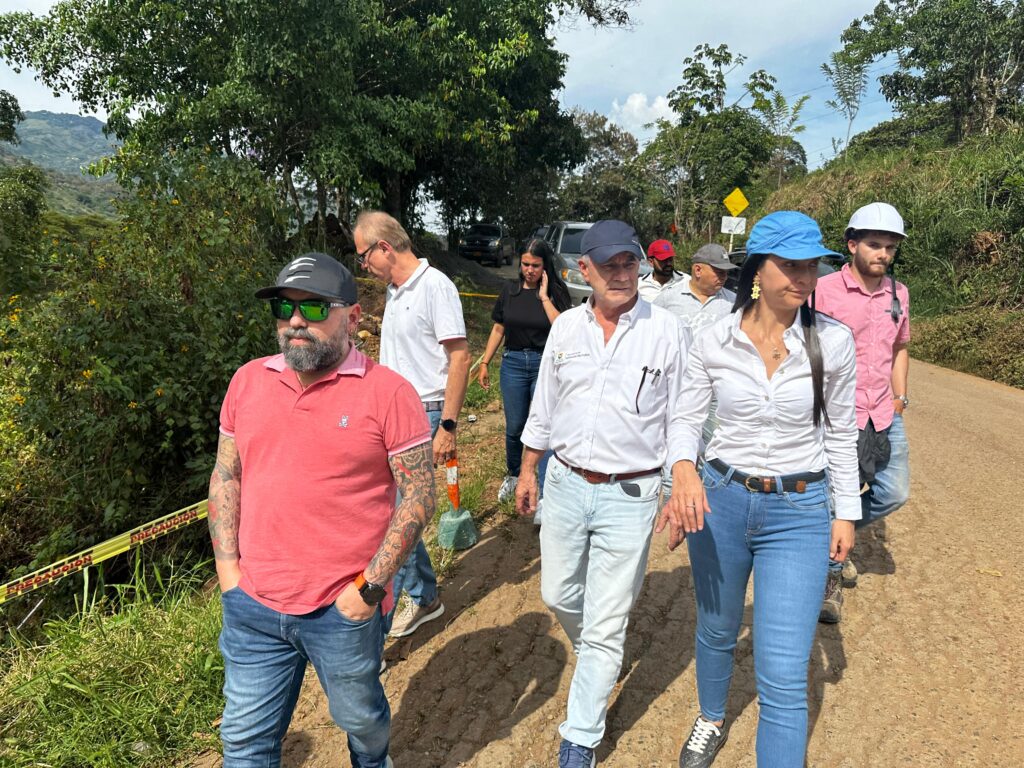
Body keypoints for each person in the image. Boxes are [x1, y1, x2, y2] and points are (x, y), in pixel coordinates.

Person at [208, 252, 436, 768]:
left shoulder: (389, 393)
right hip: (253, 606)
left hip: (344, 608)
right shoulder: (247, 381)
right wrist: (228, 571)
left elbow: (420, 495)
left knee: (360, 719)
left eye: (313, 309)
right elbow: (227, 474)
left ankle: (373, 761)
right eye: (285, 308)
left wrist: (368, 589)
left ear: (353, 318)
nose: (294, 321)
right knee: (243, 740)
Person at [665, 211, 859, 768]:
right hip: (721, 499)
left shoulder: (833, 343)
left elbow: (842, 432)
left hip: (800, 511)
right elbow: (685, 416)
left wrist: (845, 512)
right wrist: (682, 469)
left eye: (812, 266)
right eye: (790, 264)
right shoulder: (712, 336)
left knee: (783, 668)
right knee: (719, 627)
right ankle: (710, 716)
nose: (803, 277)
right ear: (756, 268)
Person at [515, 219, 691, 768]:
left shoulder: (666, 330)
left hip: (630, 494)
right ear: (583, 269)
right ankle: (599, 648)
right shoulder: (566, 328)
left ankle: (581, 737)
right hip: (565, 483)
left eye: (629, 262)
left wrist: (678, 481)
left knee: (607, 622)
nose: (622, 274)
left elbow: (685, 413)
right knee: (557, 594)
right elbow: (544, 405)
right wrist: (527, 469)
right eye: (608, 264)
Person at [355, 210, 471, 639]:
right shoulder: (395, 290)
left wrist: (448, 426)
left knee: (401, 514)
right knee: (393, 510)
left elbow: (459, 357)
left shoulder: (434, 287)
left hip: (424, 413)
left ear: (384, 248)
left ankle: (405, 606)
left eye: (364, 256)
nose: (363, 265)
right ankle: (422, 595)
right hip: (394, 412)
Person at [814, 202, 912, 623]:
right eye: (874, 244)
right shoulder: (823, 291)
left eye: (890, 247)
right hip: (839, 415)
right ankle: (829, 577)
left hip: (884, 412)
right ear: (852, 244)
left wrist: (900, 397)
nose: (883, 254)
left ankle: (836, 535)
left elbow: (900, 347)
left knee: (894, 491)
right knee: (838, 495)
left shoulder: (899, 293)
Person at [476, 238, 572, 506]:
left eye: (536, 265)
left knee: (544, 424)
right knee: (516, 425)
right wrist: (485, 362)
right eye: (525, 264)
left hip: (545, 363)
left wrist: (543, 297)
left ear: (545, 266)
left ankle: (544, 481)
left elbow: (562, 328)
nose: (529, 270)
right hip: (514, 362)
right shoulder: (510, 291)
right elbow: (498, 328)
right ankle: (514, 474)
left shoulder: (556, 292)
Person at [654, 243, 739, 332]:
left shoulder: (733, 301)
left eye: (726, 272)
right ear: (698, 270)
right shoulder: (667, 298)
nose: (725, 277)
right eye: (720, 272)